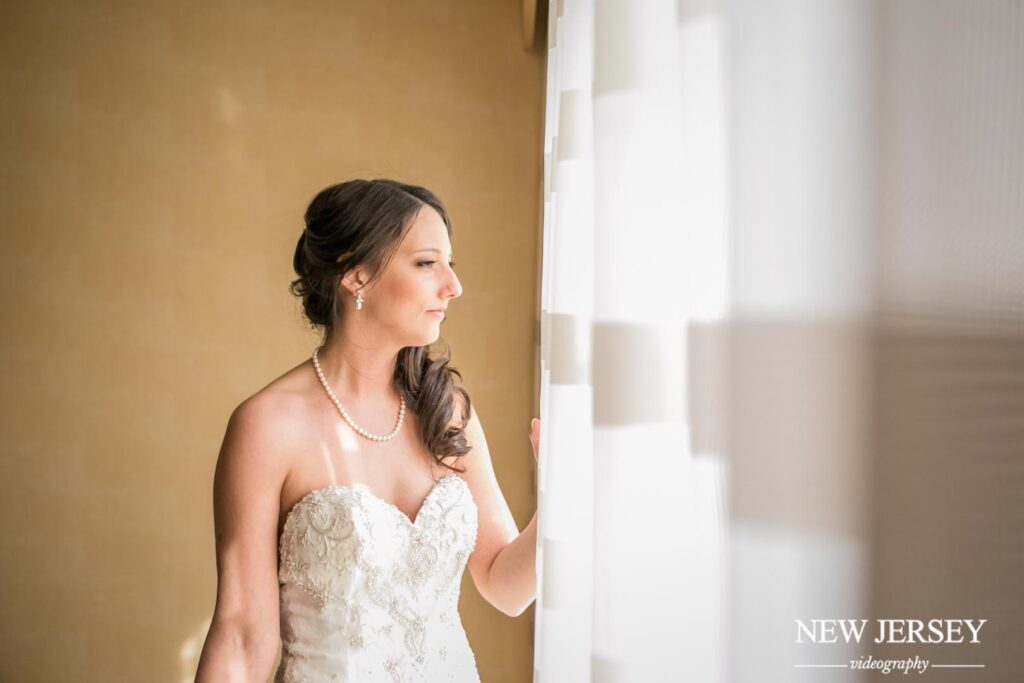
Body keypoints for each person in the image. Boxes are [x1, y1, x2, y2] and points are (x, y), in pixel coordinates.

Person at [195, 178, 540, 682]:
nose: (453, 286)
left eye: (451, 264)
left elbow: (506, 587)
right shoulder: (268, 426)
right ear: (356, 275)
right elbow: (244, 635)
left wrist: (564, 500)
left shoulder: (448, 411)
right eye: (427, 263)